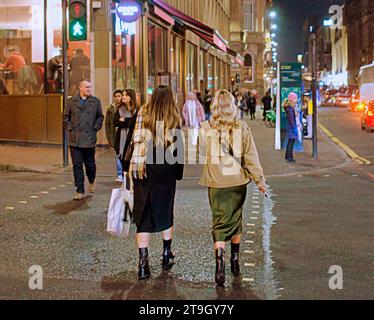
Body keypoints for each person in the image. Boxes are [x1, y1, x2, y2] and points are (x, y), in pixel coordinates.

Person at [199, 89, 266, 287]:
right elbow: (250, 156)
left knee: (219, 222)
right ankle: (235, 262)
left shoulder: (205, 127)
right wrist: (259, 180)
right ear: (232, 106)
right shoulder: (242, 127)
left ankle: (219, 264)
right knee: (235, 219)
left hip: (216, 183)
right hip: (237, 182)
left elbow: (203, 154)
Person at [122, 85, 184, 280]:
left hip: (143, 169)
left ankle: (143, 263)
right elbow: (178, 150)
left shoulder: (142, 113)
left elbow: (130, 141)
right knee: (165, 212)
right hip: (165, 169)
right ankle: (166, 254)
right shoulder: (173, 116)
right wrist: (178, 173)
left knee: (144, 214)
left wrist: (125, 167)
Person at [63, 79, 104, 201]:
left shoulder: (95, 101)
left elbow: (100, 117)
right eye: (87, 87)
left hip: (89, 138)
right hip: (75, 139)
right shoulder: (71, 101)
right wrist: (70, 128)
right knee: (77, 166)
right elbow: (65, 117)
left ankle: (91, 180)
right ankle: (79, 190)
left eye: (90, 87)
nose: (89, 89)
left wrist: (95, 128)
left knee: (90, 165)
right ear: (80, 88)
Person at [113, 89, 138, 182]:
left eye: (126, 95)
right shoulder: (120, 109)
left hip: (133, 137)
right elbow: (115, 122)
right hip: (121, 139)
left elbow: (135, 122)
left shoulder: (137, 109)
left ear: (131, 97)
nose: (123, 97)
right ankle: (124, 177)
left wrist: (125, 120)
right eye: (123, 95)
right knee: (123, 158)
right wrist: (129, 121)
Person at [105, 90, 124, 182]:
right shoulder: (110, 109)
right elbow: (107, 124)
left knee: (123, 155)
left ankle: (124, 173)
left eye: (119, 96)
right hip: (115, 136)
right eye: (115, 96)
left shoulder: (125, 108)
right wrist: (109, 137)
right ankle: (120, 174)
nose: (117, 98)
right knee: (118, 155)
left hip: (123, 135)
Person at [283, 92, 300, 163]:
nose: (296, 100)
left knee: (290, 142)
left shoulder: (291, 107)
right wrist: (294, 128)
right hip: (291, 127)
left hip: (290, 127)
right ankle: (289, 157)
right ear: (292, 99)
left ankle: (288, 156)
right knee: (291, 142)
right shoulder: (290, 108)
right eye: (295, 98)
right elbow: (291, 119)